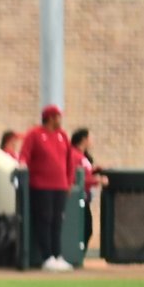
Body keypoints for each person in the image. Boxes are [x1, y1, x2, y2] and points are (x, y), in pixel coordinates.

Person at [20, 105, 74, 272]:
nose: (60, 120)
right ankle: (47, 256)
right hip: (41, 186)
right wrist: (22, 165)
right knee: (45, 220)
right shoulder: (34, 134)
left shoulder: (62, 135)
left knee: (58, 221)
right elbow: (24, 155)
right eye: (58, 117)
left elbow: (69, 161)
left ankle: (57, 255)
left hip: (60, 186)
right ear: (50, 118)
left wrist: (69, 182)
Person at [69, 128, 106, 254]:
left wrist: (95, 170)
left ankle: (78, 255)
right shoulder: (74, 154)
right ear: (84, 139)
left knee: (87, 229)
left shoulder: (82, 155)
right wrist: (97, 180)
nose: (92, 141)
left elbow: (86, 172)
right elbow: (77, 177)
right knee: (85, 229)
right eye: (90, 138)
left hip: (85, 198)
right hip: (77, 198)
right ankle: (76, 255)